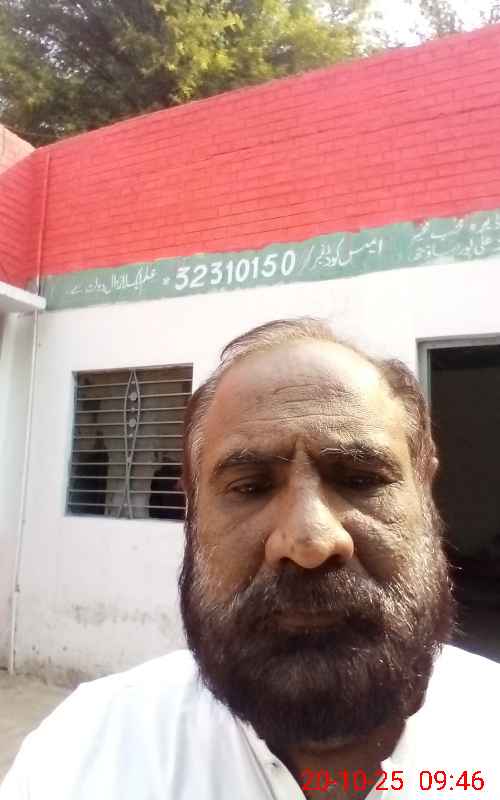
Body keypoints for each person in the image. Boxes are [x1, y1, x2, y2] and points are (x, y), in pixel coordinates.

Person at [1, 316, 499, 800]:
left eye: (361, 479)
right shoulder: (78, 757)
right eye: (250, 487)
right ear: (192, 510)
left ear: (426, 494)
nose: (309, 543)